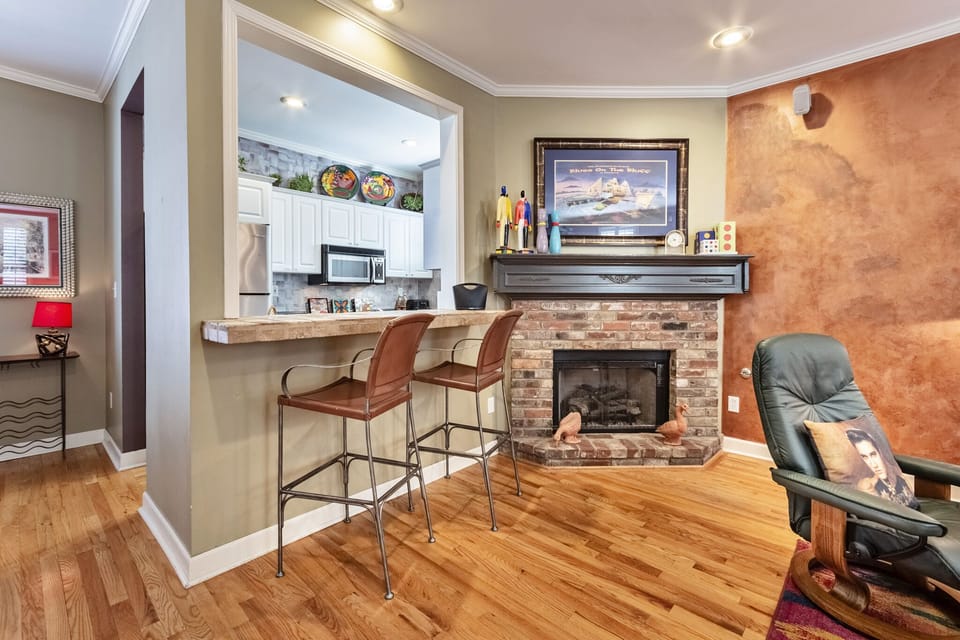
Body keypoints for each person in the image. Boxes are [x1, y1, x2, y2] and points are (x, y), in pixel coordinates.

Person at [847, 428, 915, 507]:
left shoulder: (904, 478)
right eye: (865, 457)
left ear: (880, 452)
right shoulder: (867, 486)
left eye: (873, 454)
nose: (874, 464)